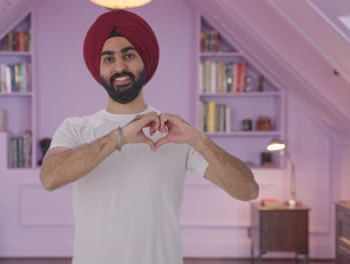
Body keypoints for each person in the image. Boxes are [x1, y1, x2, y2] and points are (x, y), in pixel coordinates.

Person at [40, 9, 259, 264]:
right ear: (98, 68)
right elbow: (50, 177)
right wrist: (118, 138)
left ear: (144, 60)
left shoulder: (176, 132)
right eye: (108, 59)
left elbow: (247, 190)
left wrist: (199, 140)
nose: (120, 67)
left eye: (129, 55)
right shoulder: (76, 129)